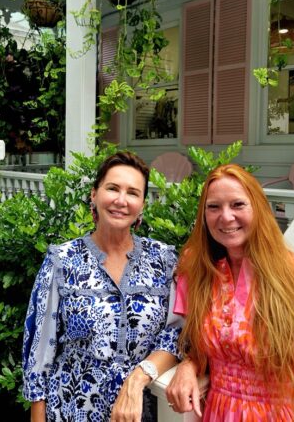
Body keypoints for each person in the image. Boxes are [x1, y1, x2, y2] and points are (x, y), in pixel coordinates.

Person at [166, 164, 294, 421]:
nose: (225, 217)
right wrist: (189, 365)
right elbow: (203, 346)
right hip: (221, 414)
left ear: (258, 208)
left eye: (237, 204)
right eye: (213, 207)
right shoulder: (199, 275)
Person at [22, 152, 181, 422]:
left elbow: (176, 333)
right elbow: (39, 353)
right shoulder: (62, 260)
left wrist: (137, 378)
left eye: (133, 192)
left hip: (139, 413)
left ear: (142, 204)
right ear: (94, 194)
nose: (121, 200)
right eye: (112, 188)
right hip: (70, 410)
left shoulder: (163, 260)